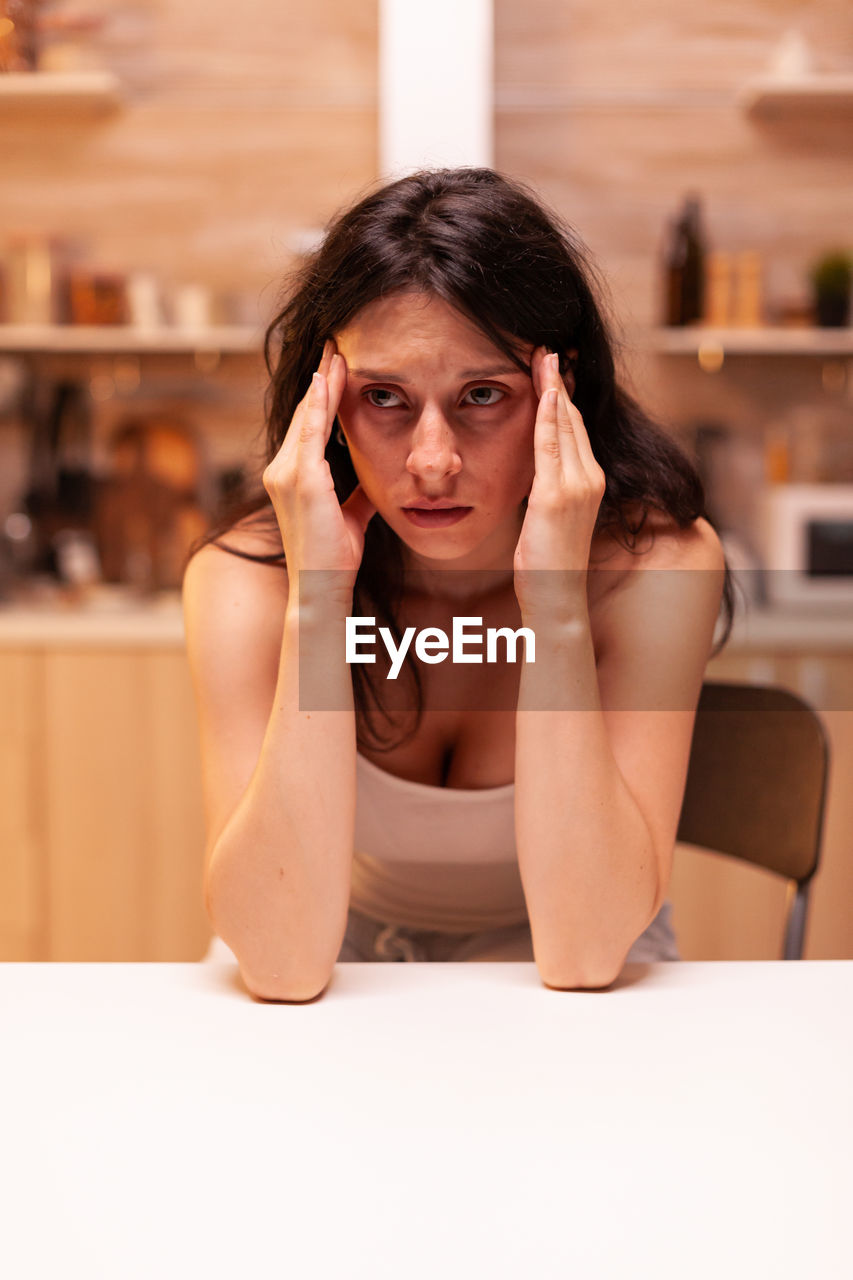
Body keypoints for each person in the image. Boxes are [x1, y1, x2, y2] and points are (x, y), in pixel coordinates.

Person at [182, 167, 734, 1001]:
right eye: (382, 397)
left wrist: (554, 609)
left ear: (561, 387)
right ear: (324, 405)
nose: (431, 461)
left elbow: (583, 953)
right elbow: (282, 964)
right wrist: (318, 602)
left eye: (481, 395)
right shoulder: (245, 578)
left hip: (583, 974)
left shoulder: (657, 567)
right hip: (339, 968)